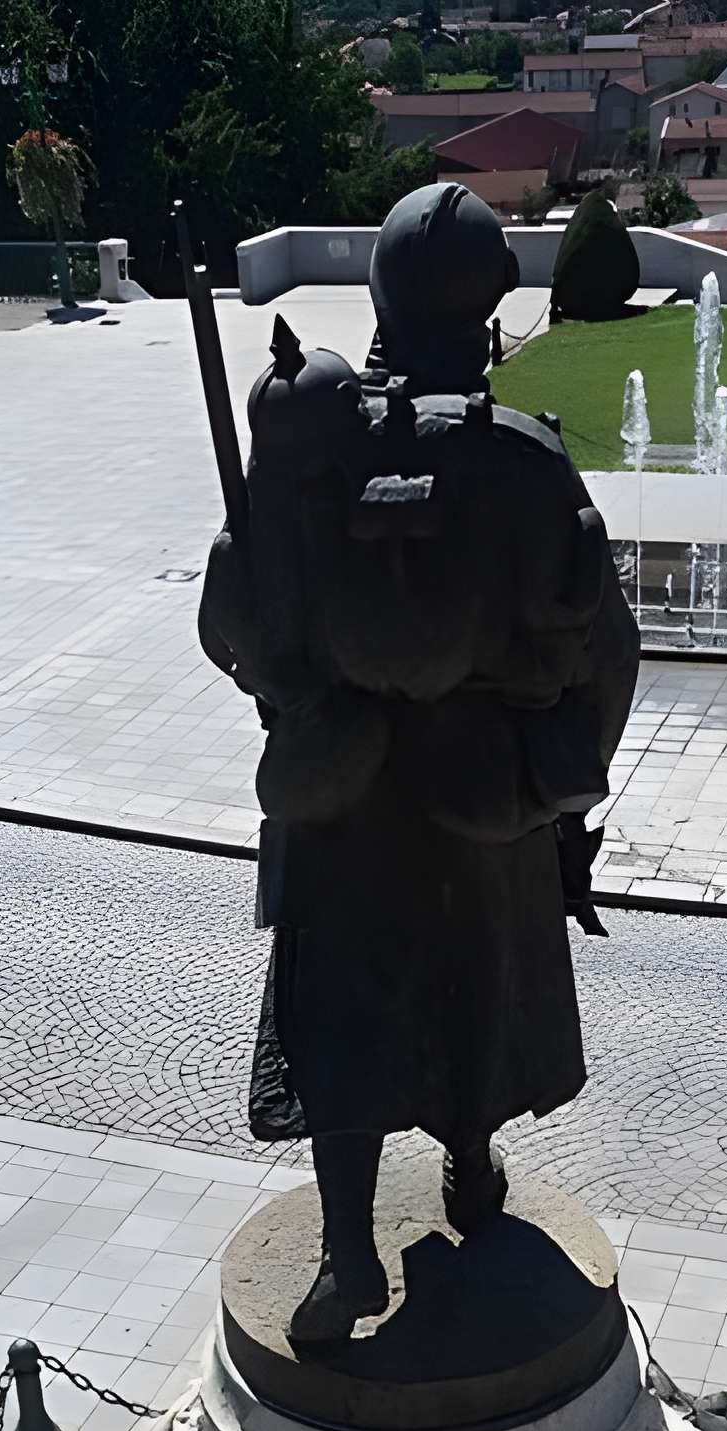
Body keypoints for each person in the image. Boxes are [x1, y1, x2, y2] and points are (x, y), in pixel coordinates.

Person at [200, 182, 639, 1346]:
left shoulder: (308, 452)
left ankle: (348, 1256)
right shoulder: (525, 460)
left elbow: (231, 625)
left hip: (341, 806)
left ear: (381, 299)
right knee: (474, 991)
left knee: (342, 1020)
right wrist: (568, 786)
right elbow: (607, 649)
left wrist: (288, 702)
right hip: (482, 807)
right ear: (492, 310)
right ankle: (472, 1167)